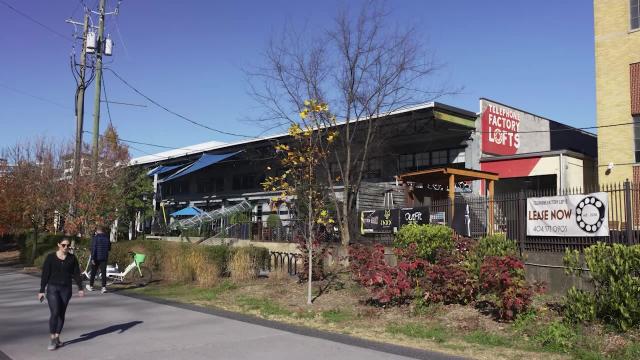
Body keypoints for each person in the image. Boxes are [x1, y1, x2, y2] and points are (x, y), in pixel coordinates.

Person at [38, 238, 84, 351]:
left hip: (66, 289)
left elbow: (77, 273)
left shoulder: (72, 258)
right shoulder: (50, 258)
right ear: (58, 245)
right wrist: (41, 290)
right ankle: (52, 338)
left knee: (61, 313)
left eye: (68, 246)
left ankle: (57, 337)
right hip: (53, 288)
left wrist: (80, 288)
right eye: (63, 245)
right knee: (55, 312)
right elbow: (45, 274)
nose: (66, 247)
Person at [87, 225, 111, 293]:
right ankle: (103, 287)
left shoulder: (95, 238)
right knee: (103, 272)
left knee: (93, 272)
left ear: (97, 231)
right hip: (104, 257)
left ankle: (91, 286)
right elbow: (109, 248)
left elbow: (93, 248)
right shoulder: (107, 238)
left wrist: (92, 258)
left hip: (96, 257)